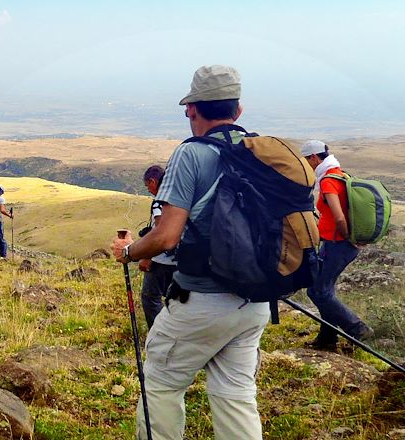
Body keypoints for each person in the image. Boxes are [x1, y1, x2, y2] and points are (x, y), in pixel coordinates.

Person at [113, 65, 269, 440]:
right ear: (239, 111)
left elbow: (166, 237)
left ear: (193, 109)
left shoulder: (191, 154)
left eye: (189, 108)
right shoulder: (261, 152)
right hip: (255, 302)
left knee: (162, 385)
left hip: (201, 299)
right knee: (237, 395)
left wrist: (130, 251)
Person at [301, 140, 373, 350]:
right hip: (336, 244)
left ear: (314, 158)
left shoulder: (328, 181)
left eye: (307, 160)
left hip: (339, 244)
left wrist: (349, 238)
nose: (307, 164)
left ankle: (357, 328)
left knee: (317, 291)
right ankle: (327, 338)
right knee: (325, 289)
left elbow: (339, 217)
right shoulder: (339, 173)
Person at [137, 165, 177, 328]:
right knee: (176, 300)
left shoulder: (159, 202)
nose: (148, 190)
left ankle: (160, 333)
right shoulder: (180, 197)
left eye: (148, 186)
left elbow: (161, 231)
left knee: (150, 297)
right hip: (181, 260)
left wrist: (146, 257)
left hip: (161, 260)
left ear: (153, 181)